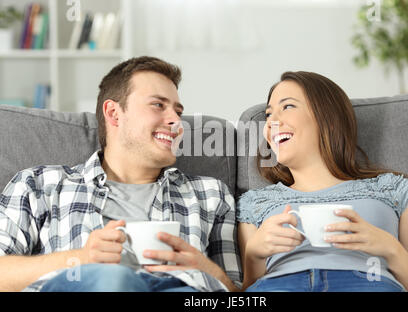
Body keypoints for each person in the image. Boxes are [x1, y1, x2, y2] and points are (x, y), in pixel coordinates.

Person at [0, 56, 242, 292]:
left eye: (178, 111)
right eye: (158, 105)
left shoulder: (211, 194)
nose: (176, 121)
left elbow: (239, 295)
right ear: (114, 113)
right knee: (113, 279)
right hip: (94, 284)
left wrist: (207, 270)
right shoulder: (40, 185)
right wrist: (80, 259)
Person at [237, 71, 408, 292]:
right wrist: (254, 254)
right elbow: (247, 291)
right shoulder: (254, 204)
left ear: (328, 119)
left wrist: (392, 251)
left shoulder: (397, 191)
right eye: (269, 114)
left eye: (287, 106)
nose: (271, 122)